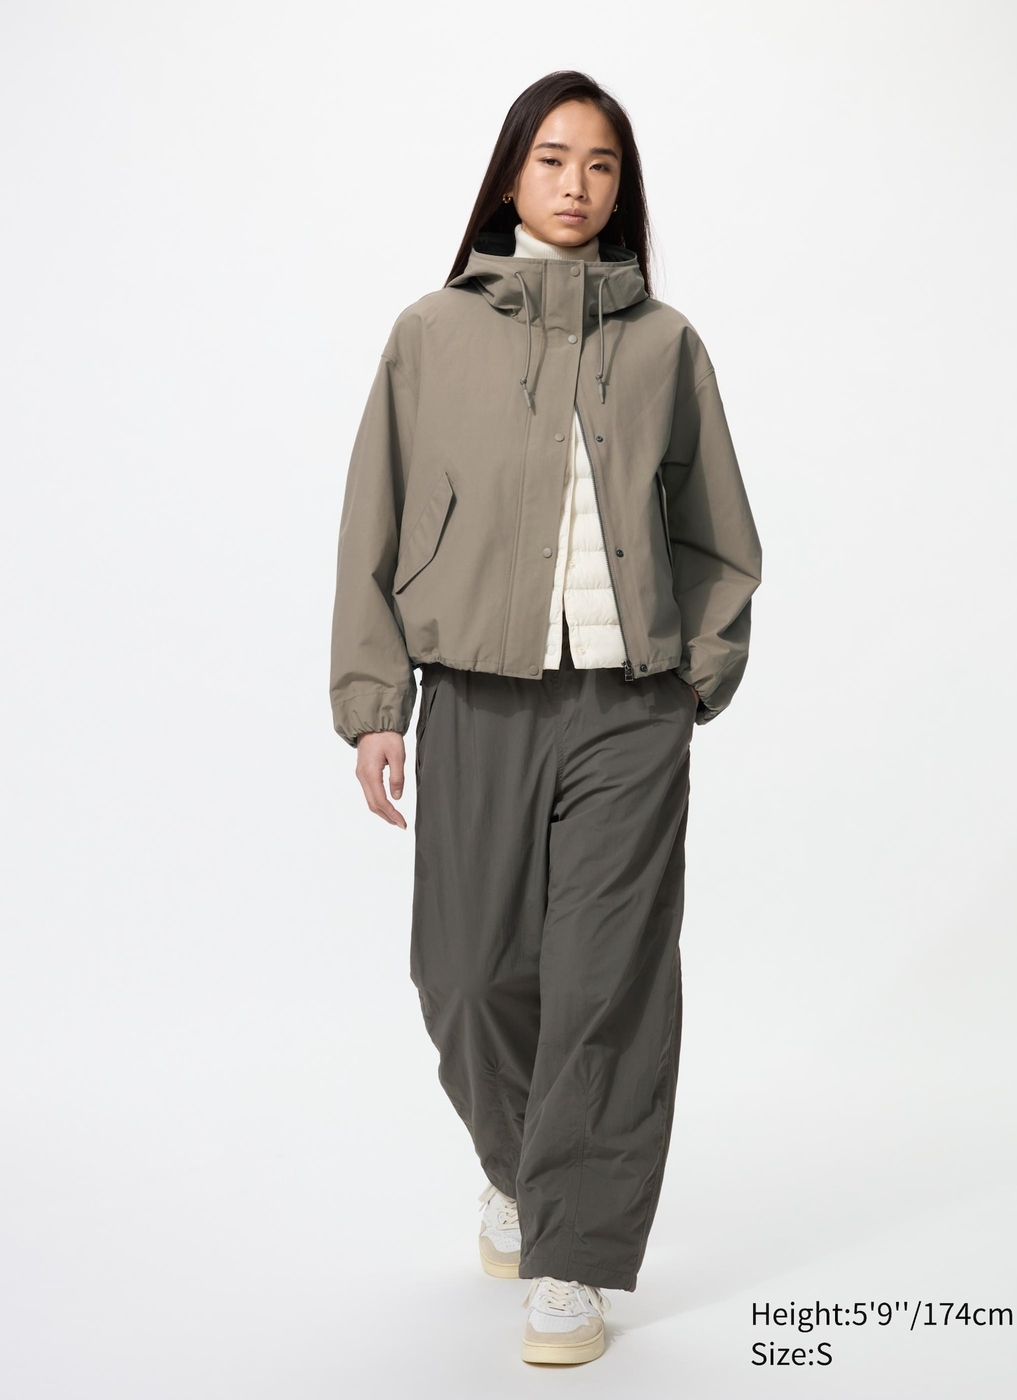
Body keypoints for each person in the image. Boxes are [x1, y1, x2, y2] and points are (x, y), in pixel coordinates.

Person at [329, 69, 762, 1366]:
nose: (577, 184)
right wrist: (375, 702)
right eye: (554, 158)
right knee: (463, 976)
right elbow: (372, 521)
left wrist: (695, 673)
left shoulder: (666, 344)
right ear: (511, 173)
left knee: (603, 986)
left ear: (624, 191)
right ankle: (520, 1169)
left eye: (602, 164)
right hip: (476, 696)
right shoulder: (430, 333)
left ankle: (571, 1256)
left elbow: (718, 536)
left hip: (629, 710)